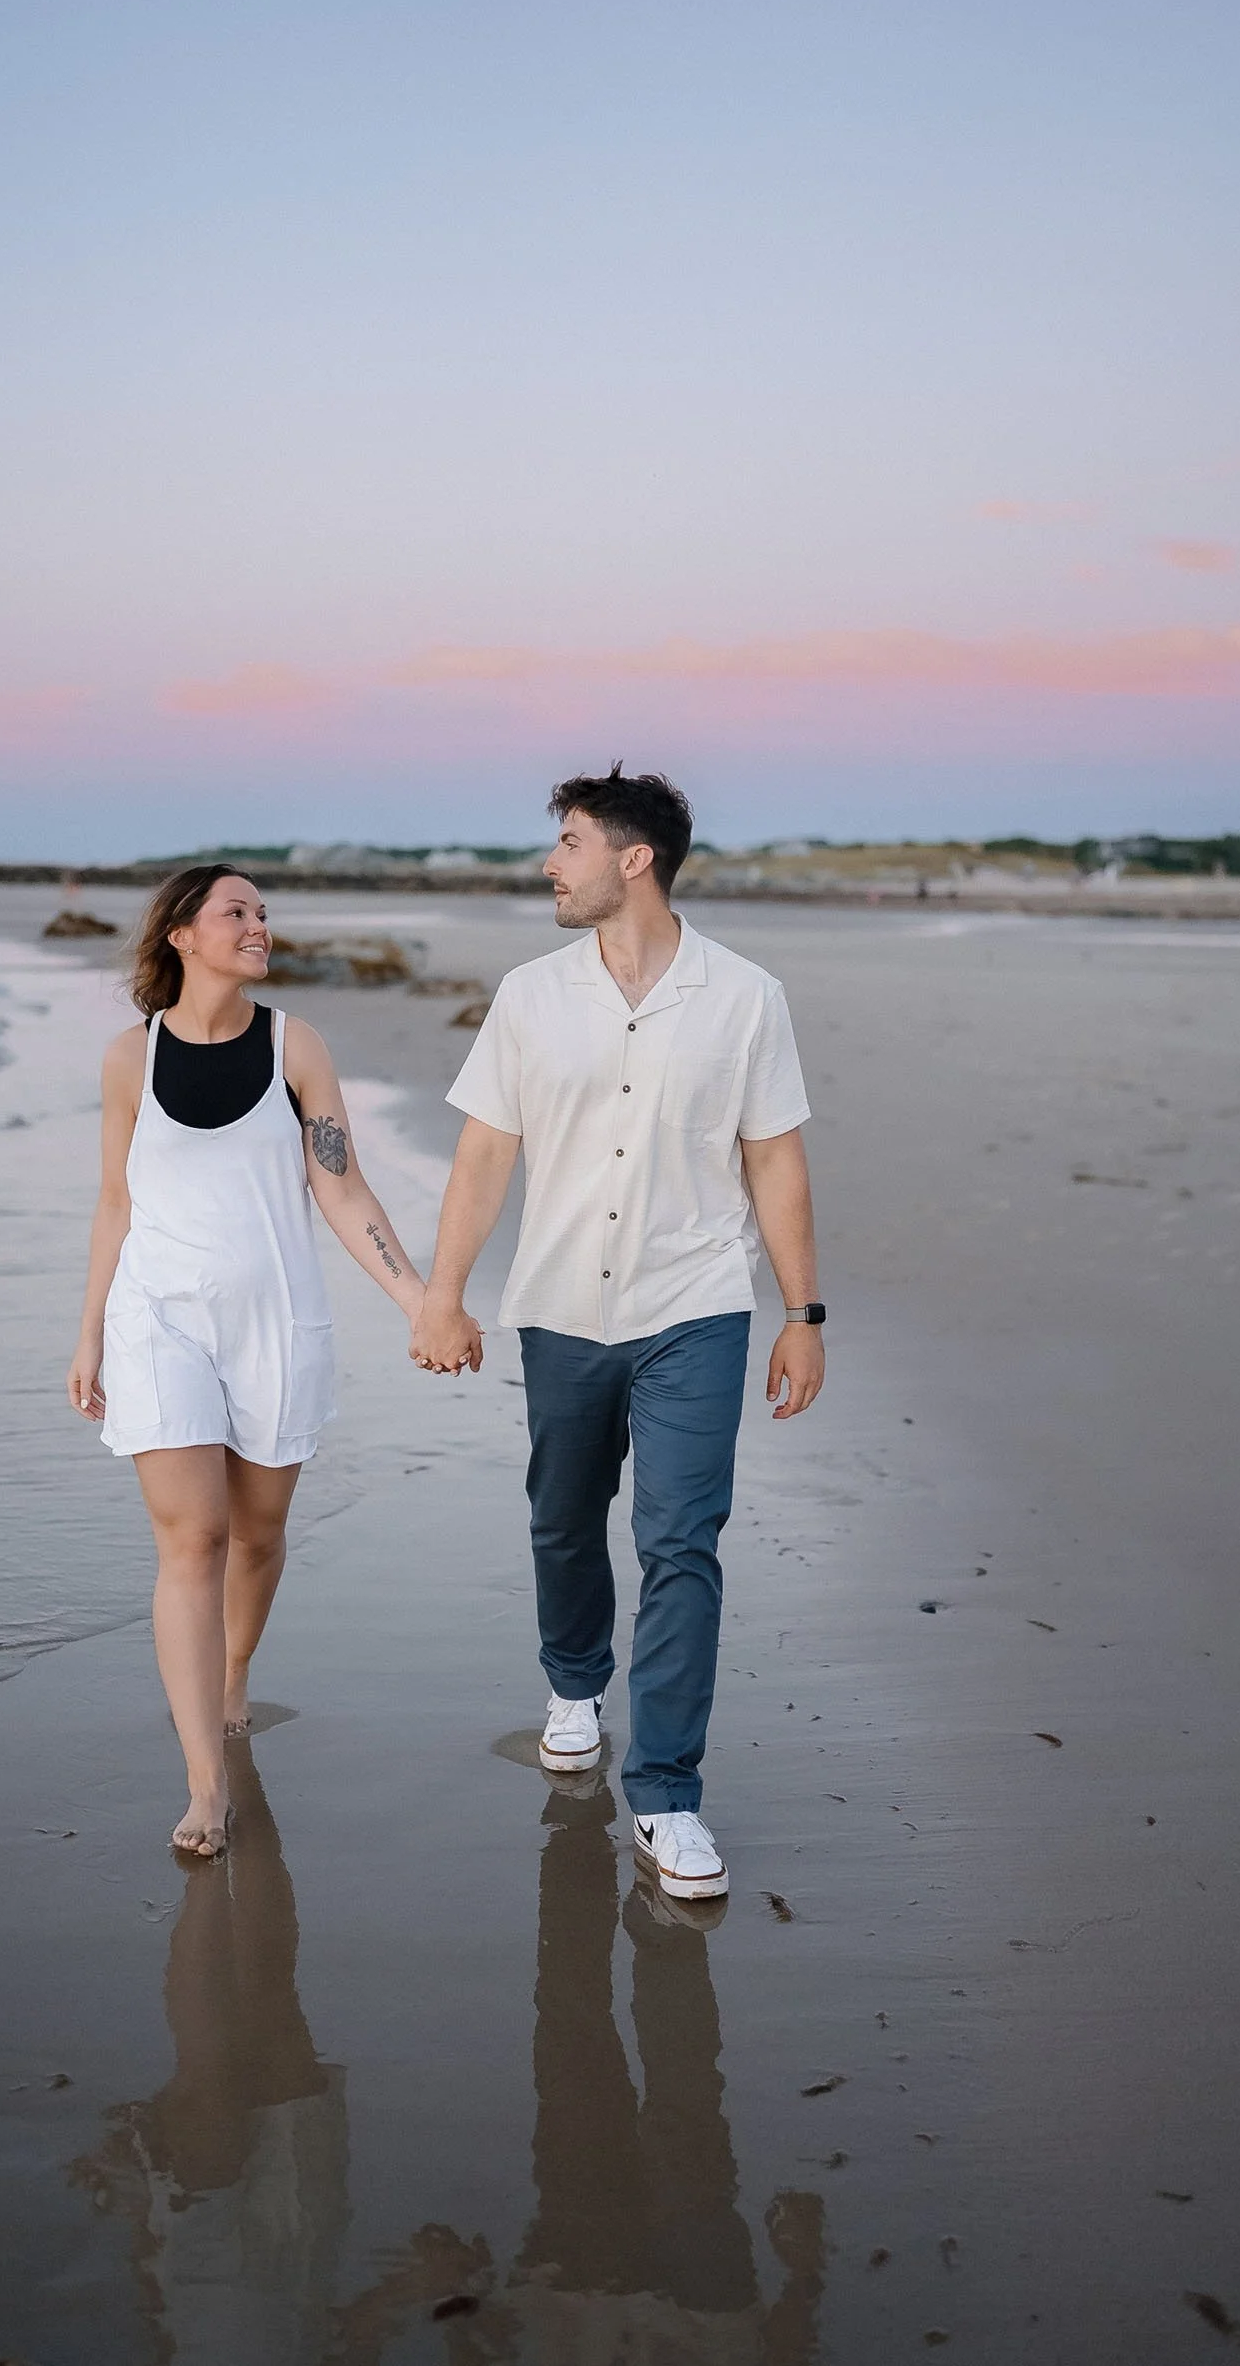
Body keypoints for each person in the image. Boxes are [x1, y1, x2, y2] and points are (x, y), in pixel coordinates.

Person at [410, 768, 825, 1901]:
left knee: (682, 1542)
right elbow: (486, 1153)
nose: (551, 862)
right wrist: (442, 1295)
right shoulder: (528, 995)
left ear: (632, 858)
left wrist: (804, 1313)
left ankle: (670, 1796)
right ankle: (573, 1681)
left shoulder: (745, 998)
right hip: (560, 1308)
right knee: (562, 1518)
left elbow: (772, 1157)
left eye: (570, 841)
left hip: (696, 1305)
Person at [68, 864, 427, 1857]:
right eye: (237, 912)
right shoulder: (126, 1060)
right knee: (194, 1540)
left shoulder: (293, 1045)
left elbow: (343, 1189)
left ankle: (233, 1676)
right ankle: (203, 1785)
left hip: (276, 1323)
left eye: (263, 913)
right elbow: (114, 1201)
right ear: (181, 933)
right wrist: (91, 1327)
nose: (258, 925)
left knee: (258, 1538)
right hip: (160, 1323)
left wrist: (417, 1297)